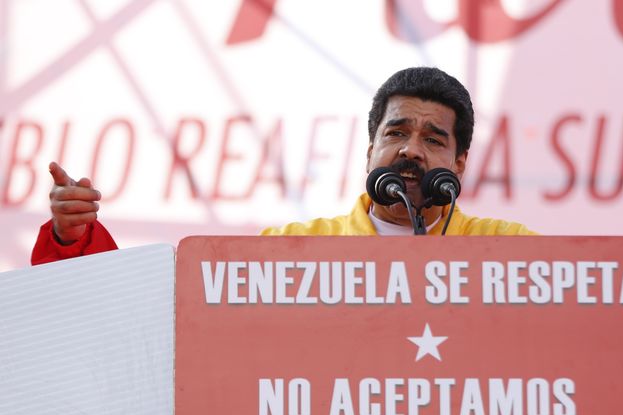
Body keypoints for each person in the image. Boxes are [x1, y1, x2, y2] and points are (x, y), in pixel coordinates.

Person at [32, 67, 534, 265]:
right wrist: (73, 241)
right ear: (369, 150)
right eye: (396, 133)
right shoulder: (291, 248)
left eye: (433, 139)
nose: (411, 151)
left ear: (459, 164)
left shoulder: (510, 250)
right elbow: (162, 325)